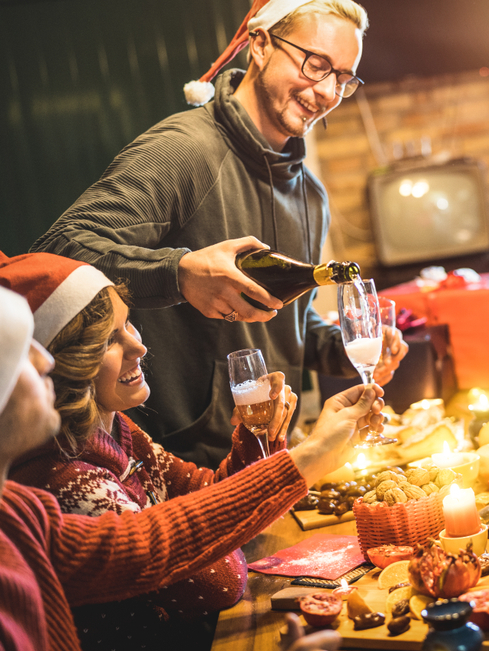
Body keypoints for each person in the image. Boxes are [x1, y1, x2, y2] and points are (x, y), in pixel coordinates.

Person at [30, 0, 407, 467]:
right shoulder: (183, 151)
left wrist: (346, 353)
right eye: (316, 65)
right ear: (261, 45)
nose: (327, 91)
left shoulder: (309, 193)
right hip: (180, 469)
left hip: (267, 460)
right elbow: (55, 254)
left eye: (343, 78)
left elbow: (284, 320)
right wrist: (180, 274)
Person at [0, 283, 383, 650]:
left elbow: (197, 504)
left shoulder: (26, 504)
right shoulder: (58, 478)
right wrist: (307, 459)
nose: (43, 360)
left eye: (128, 323)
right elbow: (211, 575)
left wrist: (259, 439)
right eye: (19, 353)